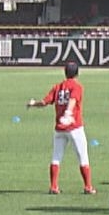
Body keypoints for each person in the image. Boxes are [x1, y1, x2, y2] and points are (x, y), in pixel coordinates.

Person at [29, 62, 94, 195]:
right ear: (77, 73)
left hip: (59, 128)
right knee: (83, 157)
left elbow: (44, 102)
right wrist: (68, 113)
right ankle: (88, 186)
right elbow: (73, 100)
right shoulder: (77, 86)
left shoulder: (58, 87)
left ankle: (53, 186)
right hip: (74, 127)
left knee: (56, 157)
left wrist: (33, 103)